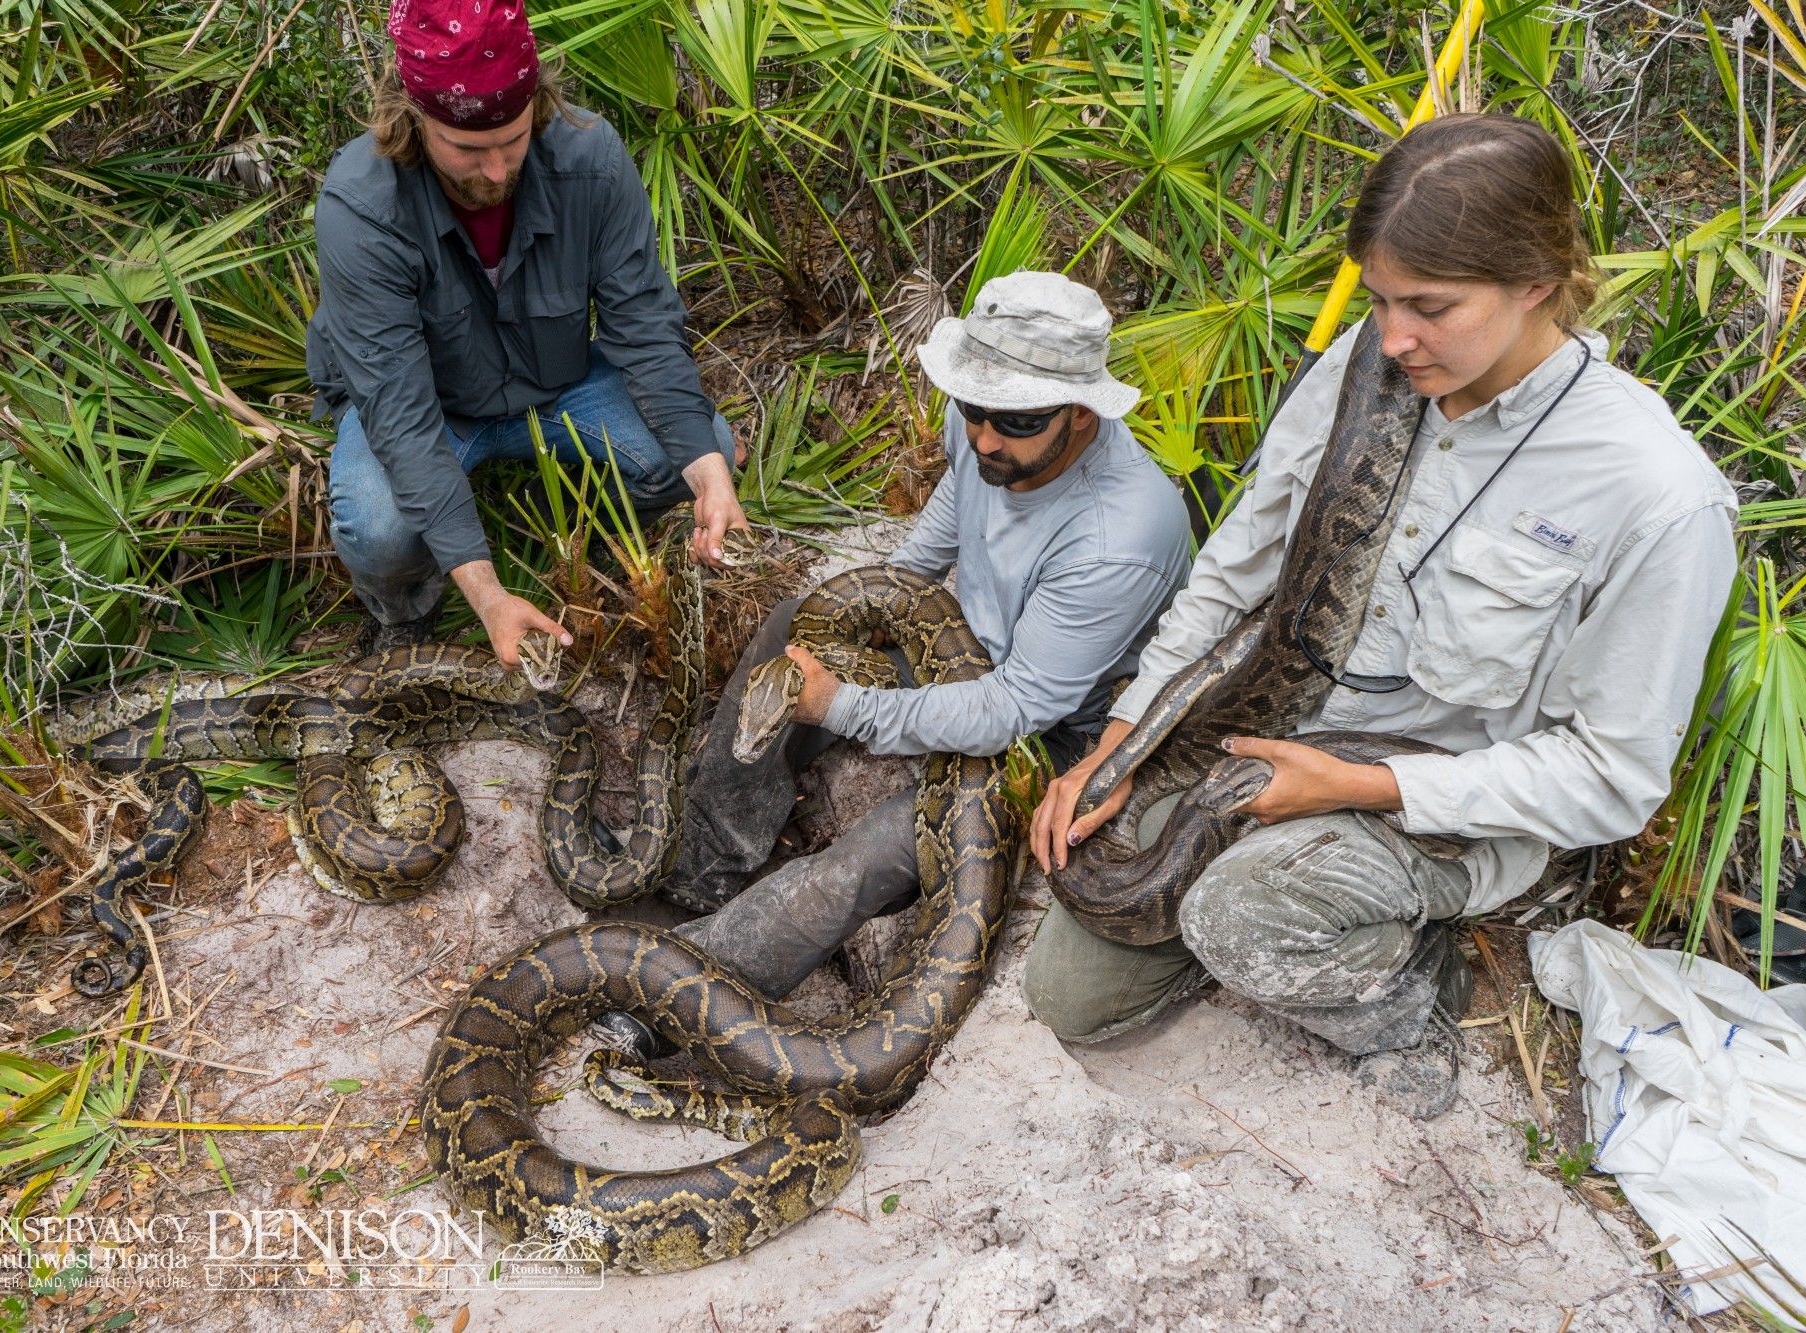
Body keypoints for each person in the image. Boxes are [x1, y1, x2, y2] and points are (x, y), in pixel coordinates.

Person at [1026, 114, 1739, 1118]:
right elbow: (1233, 572)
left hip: (1444, 801)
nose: (1392, 336)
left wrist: (1350, 786)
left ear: (1535, 280)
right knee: (1068, 998)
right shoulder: (1366, 370)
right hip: (1263, 742)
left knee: (1242, 914)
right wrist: (1121, 743)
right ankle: (1282, 902)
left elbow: (1611, 778)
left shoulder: (1652, 494)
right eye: (1378, 299)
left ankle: (1411, 993)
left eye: (1429, 306)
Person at [601, 270, 1192, 1054]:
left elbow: (1013, 710)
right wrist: (860, 615)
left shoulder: (1123, 532)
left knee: (867, 859)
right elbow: (933, 542)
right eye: (973, 407)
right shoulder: (988, 437)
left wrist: (842, 704)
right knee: (791, 628)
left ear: (1082, 415)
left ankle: (675, 997)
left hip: (1050, 742)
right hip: (961, 656)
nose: (982, 436)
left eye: (1011, 419)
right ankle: (700, 870)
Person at [305, 0, 749, 666]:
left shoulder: (591, 159)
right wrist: (486, 595)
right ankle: (408, 610)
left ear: (538, 106)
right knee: (378, 528)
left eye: (511, 143)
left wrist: (714, 477)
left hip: (553, 384)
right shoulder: (360, 207)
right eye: (467, 149)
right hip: (433, 410)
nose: (494, 172)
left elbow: (646, 330)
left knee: (702, 447)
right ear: (412, 117)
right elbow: (400, 417)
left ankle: (593, 541)